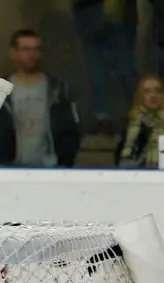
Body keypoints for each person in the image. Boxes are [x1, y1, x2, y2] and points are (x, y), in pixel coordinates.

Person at [0, 30, 81, 169]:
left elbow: (71, 130)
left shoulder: (57, 89)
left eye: (36, 49)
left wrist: (64, 163)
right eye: (26, 49)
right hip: (9, 170)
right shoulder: (2, 88)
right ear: (13, 53)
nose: (32, 55)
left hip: (50, 168)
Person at [72, 0, 139, 135]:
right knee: (98, 74)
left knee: (125, 71)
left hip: (119, 16)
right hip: (90, 16)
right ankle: (103, 118)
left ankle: (137, 114)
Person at [116, 75, 164, 169]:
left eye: (157, 91)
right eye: (147, 92)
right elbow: (123, 157)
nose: (153, 96)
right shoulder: (132, 124)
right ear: (141, 96)